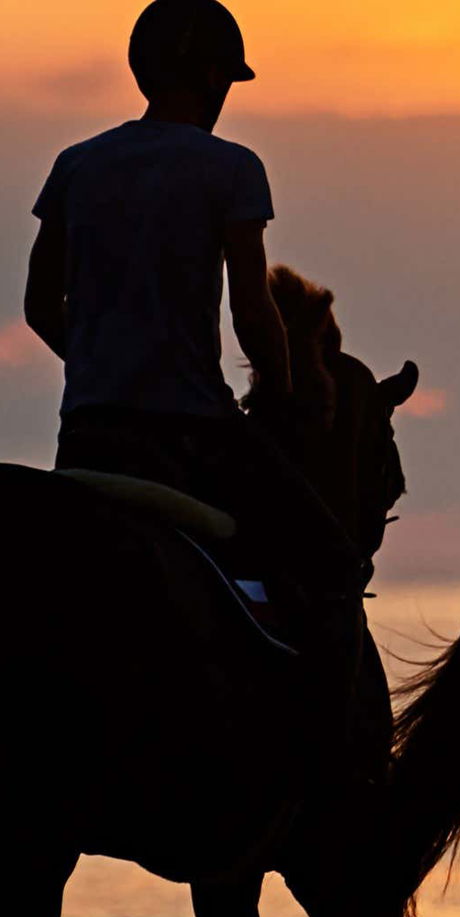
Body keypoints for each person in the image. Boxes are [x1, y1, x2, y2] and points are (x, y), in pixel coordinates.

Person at [23, 0, 368, 779]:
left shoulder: (76, 164)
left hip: (87, 435)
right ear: (213, 76)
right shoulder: (231, 168)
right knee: (333, 569)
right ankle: (329, 768)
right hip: (192, 438)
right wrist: (284, 398)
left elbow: (41, 305)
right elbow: (252, 312)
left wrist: (98, 365)